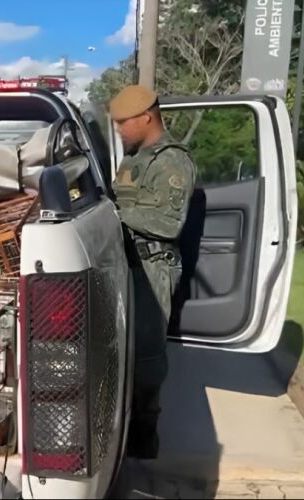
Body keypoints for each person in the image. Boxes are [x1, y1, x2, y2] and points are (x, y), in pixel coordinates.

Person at [109, 85, 197, 459]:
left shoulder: (171, 161)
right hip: (125, 261)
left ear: (146, 117)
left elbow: (167, 222)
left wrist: (112, 215)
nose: (119, 131)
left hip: (153, 265)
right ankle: (123, 423)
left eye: (122, 124)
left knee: (145, 355)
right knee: (120, 349)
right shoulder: (134, 158)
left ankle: (144, 436)